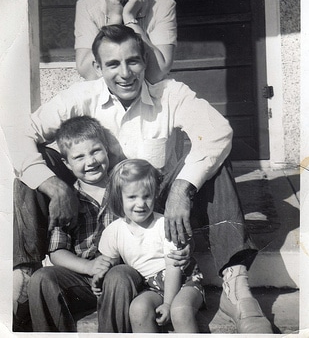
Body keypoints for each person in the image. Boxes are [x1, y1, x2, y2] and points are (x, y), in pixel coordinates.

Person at [13, 24, 273, 333]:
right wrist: (53, 185)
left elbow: (219, 132)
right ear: (98, 67)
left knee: (216, 160)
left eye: (133, 60)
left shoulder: (170, 93)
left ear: (144, 61)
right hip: (98, 200)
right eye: (113, 64)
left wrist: (181, 188)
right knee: (31, 171)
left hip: (154, 198)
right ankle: (26, 276)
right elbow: (19, 135)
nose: (125, 73)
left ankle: (235, 284)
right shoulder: (81, 96)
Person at [92, 159, 204, 333]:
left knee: (179, 311)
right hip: (151, 286)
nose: (141, 204)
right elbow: (108, 262)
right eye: (132, 197)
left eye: (147, 196)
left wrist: (168, 303)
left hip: (183, 282)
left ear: (155, 194)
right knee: (138, 309)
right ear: (118, 197)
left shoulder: (164, 225)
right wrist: (99, 277)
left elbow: (173, 267)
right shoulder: (113, 231)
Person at [27, 116, 113, 331]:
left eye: (95, 151)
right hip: (82, 279)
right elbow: (56, 252)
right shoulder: (67, 199)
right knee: (42, 279)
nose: (90, 162)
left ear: (107, 149)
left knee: (119, 278)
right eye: (79, 157)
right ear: (67, 163)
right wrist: (89, 267)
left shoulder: (124, 188)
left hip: (118, 276)